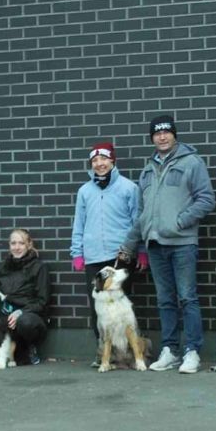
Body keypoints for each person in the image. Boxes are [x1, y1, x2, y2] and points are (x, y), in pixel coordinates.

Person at [118, 114, 216, 374]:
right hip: (155, 245)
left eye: (166, 132)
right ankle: (170, 350)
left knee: (187, 298)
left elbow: (206, 199)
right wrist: (130, 244)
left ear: (174, 134)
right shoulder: (147, 169)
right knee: (165, 301)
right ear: (152, 137)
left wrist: (180, 222)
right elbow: (142, 212)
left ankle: (192, 351)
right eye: (157, 133)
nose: (162, 136)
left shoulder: (192, 162)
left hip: (182, 243)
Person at [69, 142, 145, 347]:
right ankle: (103, 350)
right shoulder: (84, 191)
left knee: (123, 307)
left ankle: (129, 350)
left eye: (103, 159)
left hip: (120, 255)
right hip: (93, 257)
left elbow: (138, 222)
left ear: (112, 160)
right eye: (95, 160)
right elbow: (79, 223)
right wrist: (77, 253)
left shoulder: (129, 188)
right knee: (98, 307)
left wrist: (141, 251)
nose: (99, 164)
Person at [0, 228, 51, 366]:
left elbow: (42, 301)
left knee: (25, 322)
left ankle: (31, 347)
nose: (17, 247)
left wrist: (20, 312)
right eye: (13, 243)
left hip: (30, 315)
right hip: (6, 312)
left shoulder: (39, 267)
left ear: (29, 245)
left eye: (21, 243)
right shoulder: (1, 268)